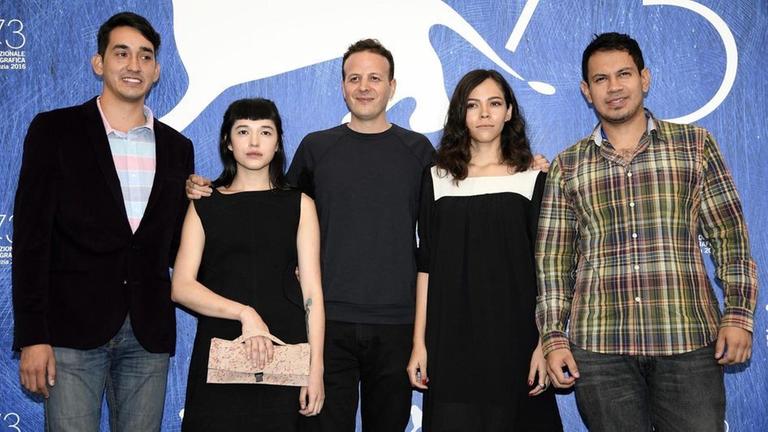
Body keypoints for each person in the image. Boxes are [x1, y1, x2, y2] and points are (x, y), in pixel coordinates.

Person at [186, 39, 549, 431]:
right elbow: (271, 204)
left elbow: (470, 180)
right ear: (342, 86)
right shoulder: (316, 148)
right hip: (328, 322)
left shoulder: (419, 151)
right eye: (354, 78)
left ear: (392, 86)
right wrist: (210, 188)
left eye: (375, 77)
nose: (364, 86)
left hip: (397, 324)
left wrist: (524, 165)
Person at [536, 32, 758, 432]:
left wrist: (739, 315)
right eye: (600, 79)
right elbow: (553, 263)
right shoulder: (567, 166)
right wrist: (553, 337)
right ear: (587, 91)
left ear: (645, 78)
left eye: (623, 74)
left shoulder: (694, 145)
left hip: (688, 341)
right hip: (601, 351)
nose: (614, 87)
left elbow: (730, 237)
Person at [12, 12, 194, 431]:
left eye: (145, 56)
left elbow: (175, 247)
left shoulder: (177, 147)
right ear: (99, 63)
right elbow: (30, 240)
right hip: (70, 333)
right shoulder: (54, 130)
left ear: (157, 70)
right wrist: (32, 336)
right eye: (122, 53)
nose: (134, 65)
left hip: (148, 334)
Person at [407, 69, 562, 431]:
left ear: (509, 112)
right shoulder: (436, 178)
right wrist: (419, 344)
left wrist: (545, 343)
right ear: (461, 114)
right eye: (473, 105)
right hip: (450, 345)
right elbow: (426, 267)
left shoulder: (534, 178)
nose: (485, 114)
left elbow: (548, 269)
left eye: (494, 103)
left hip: (517, 343)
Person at [171, 98, 325, 431]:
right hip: (221, 351)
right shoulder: (204, 204)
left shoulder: (301, 204)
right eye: (243, 131)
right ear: (228, 141)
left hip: (286, 352)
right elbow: (181, 286)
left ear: (278, 142)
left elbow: (312, 291)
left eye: (265, 132)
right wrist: (245, 313)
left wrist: (316, 369)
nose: (254, 142)